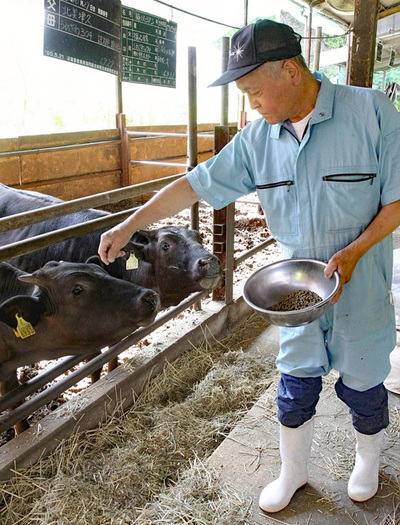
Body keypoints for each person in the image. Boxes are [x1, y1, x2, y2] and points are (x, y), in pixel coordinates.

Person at [99, 19, 400, 514]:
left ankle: (367, 460)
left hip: (361, 279)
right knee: (294, 381)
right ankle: (293, 472)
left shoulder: (371, 112)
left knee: (364, 383)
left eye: (255, 91)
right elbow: (192, 184)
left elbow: (396, 200)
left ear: (291, 71)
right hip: (297, 287)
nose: (251, 104)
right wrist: (130, 224)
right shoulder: (257, 140)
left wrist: (355, 252)